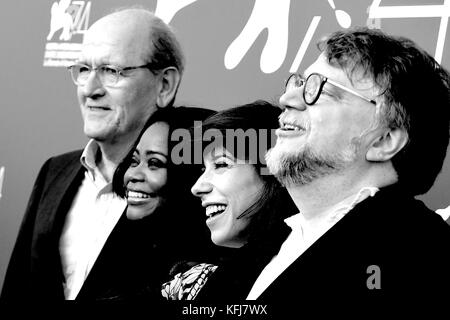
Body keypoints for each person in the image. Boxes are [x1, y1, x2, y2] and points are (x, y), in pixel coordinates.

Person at [247, 27, 450, 305]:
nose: (287, 100)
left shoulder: (420, 257)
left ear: (383, 140)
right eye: (299, 83)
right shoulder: (265, 244)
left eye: (320, 89)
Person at [1, 8, 184, 301]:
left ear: (164, 85)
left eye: (111, 71)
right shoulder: (54, 172)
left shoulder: (194, 188)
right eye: (84, 69)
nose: (89, 89)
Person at [161, 101, 297, 300]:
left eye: (221, 164)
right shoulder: (195, 282)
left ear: (276, 173)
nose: (197, 187)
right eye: (203, 169)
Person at [102, 106, 215, 301]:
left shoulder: (204, 277)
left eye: (154, 163)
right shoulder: (122, 250)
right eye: (134, 160)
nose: (132, 175)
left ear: (194, 175)